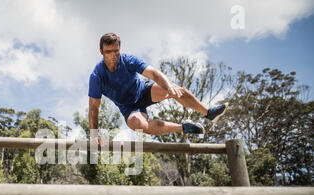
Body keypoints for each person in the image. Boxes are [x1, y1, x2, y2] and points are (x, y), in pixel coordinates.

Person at [88, 33, 228, 146]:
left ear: (120, 49)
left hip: (143, 91)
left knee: (174, 89)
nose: (113, 55)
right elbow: (94, 107)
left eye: (116, 51)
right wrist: (95, 135)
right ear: (101, 51)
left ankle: (208, 113)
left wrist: (169, 87)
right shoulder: (97, 76)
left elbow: (154, 73)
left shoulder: (127, 60)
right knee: (139, 125)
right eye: (108, 52)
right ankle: (184, 127)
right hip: (129, 107)